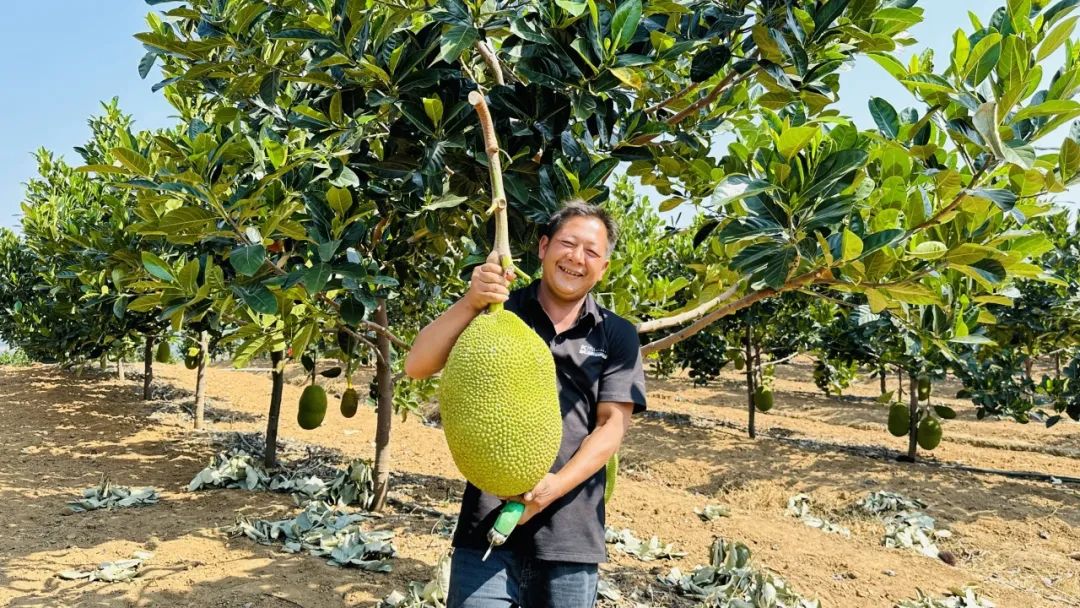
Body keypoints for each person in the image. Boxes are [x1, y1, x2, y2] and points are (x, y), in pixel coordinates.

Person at [404, 201, 647, 608]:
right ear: (543, 247)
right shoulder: (497, 311)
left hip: (571, 534)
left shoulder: (617, 334)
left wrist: (550, 489)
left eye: (591, 251)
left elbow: (612, 428)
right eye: (567, 243)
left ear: (604, 268)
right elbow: (416, 365)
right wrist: (470, 301)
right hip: (488, 525)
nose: (576, 258)